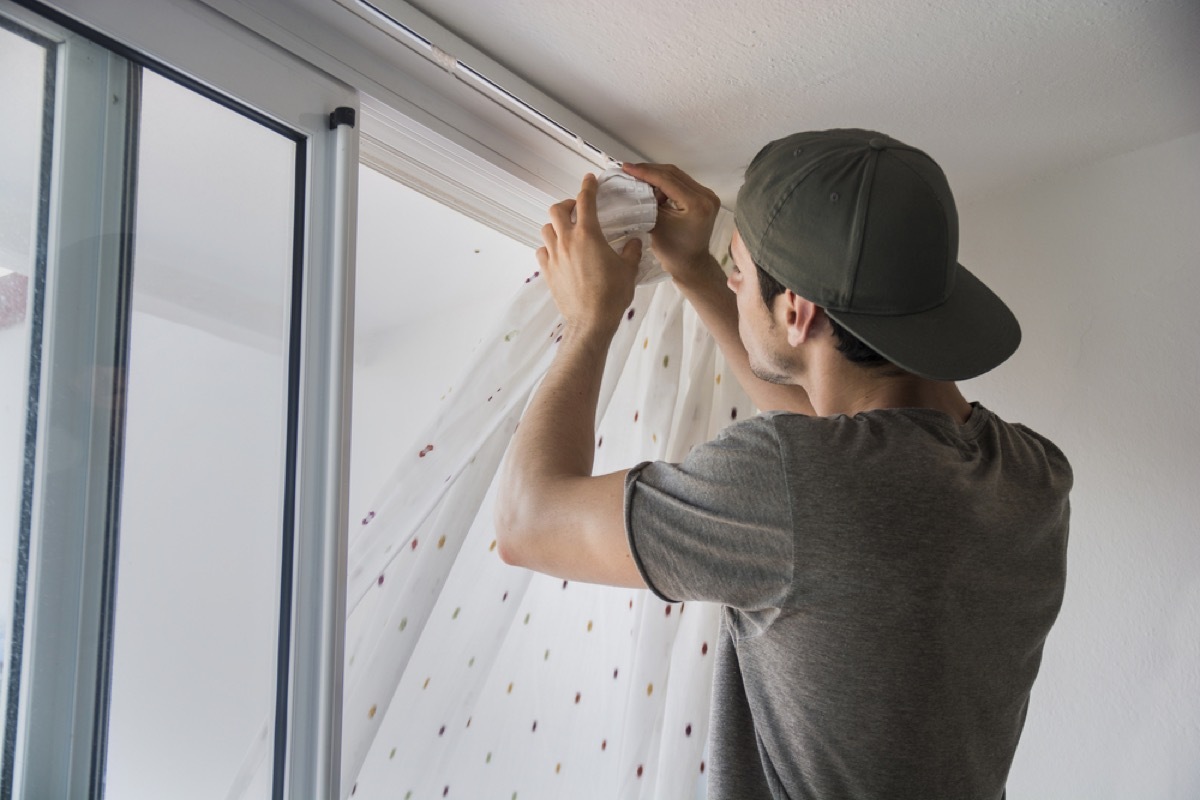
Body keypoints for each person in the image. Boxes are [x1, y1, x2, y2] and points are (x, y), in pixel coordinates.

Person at [494, 129, 1072, 799]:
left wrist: (590, 319)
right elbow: (850, 450)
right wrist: (697, 270)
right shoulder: (1035, 476)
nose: (733, 279)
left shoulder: (790, 480)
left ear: (796, 310)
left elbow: (525, 521)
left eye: (738, 268)